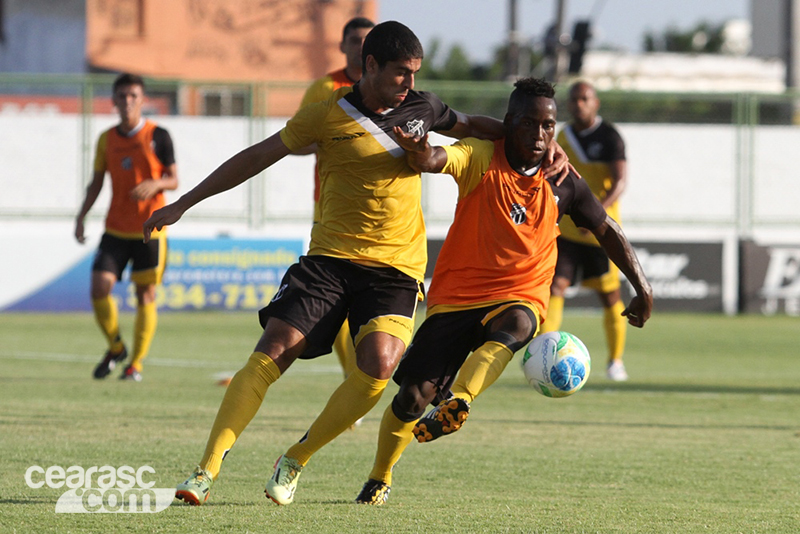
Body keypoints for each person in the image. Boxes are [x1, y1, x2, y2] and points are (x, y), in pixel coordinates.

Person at [145, 21, 569, 507]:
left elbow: (476, 125)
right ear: (370, 65)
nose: (410, 82)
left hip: (396, 269)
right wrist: (185, 202)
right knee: (273, 351)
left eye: (415, 72)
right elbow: (258, 156)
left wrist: (547, 145)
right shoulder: (325, 114)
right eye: (400, 72)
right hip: (329, 260)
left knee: (379, 368)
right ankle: (205, 470)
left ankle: (295, 459)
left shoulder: (424, 107)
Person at [354, 77, 652, 505]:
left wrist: (642, 286)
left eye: (547, 126)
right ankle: (379, 476)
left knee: (518, 323)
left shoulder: (563, 180)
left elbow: (606, 229)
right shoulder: (481, 155)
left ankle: (460, 400)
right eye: (529, 124)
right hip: (458, 297)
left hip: (521, 293)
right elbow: (439, 158)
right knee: (411, 398)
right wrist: (419, 152)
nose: (539, 135)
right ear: (509, 122)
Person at [75, 72, 178, 382]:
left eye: (133, 96)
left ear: (142, 100)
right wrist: (81, 215)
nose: (128, 101)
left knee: (145, 295)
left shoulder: (158, 135)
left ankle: (136, 364)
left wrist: (155, 183)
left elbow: (174, 179)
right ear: (114, 101)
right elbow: (96, 182)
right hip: (116, 228)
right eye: (122, 96)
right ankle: (116, 347)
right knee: (99, 288)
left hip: (151, 229)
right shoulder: (106, 139)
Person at [299, 16, 374, 384]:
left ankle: (364, 374)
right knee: (339, 296)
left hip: (378, 213)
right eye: (355, 40)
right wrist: (333, 140)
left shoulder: (390, 88)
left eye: (367, 40)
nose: (361, 47)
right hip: (331, 207)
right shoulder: (325, 88)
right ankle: (352, 378)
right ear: (343, 46)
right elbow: (295, 139)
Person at [540, 80, 631, 381]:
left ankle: (615, 361)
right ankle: (545, 353)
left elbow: (620, 182)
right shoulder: (563, 136)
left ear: (595, 103)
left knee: (609, 296)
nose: (578, 104)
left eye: (584, 99)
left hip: (598, 232)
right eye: (574, 99)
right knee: (555, 287)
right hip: (566, 230)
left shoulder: (609, 137)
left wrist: (596, 213)